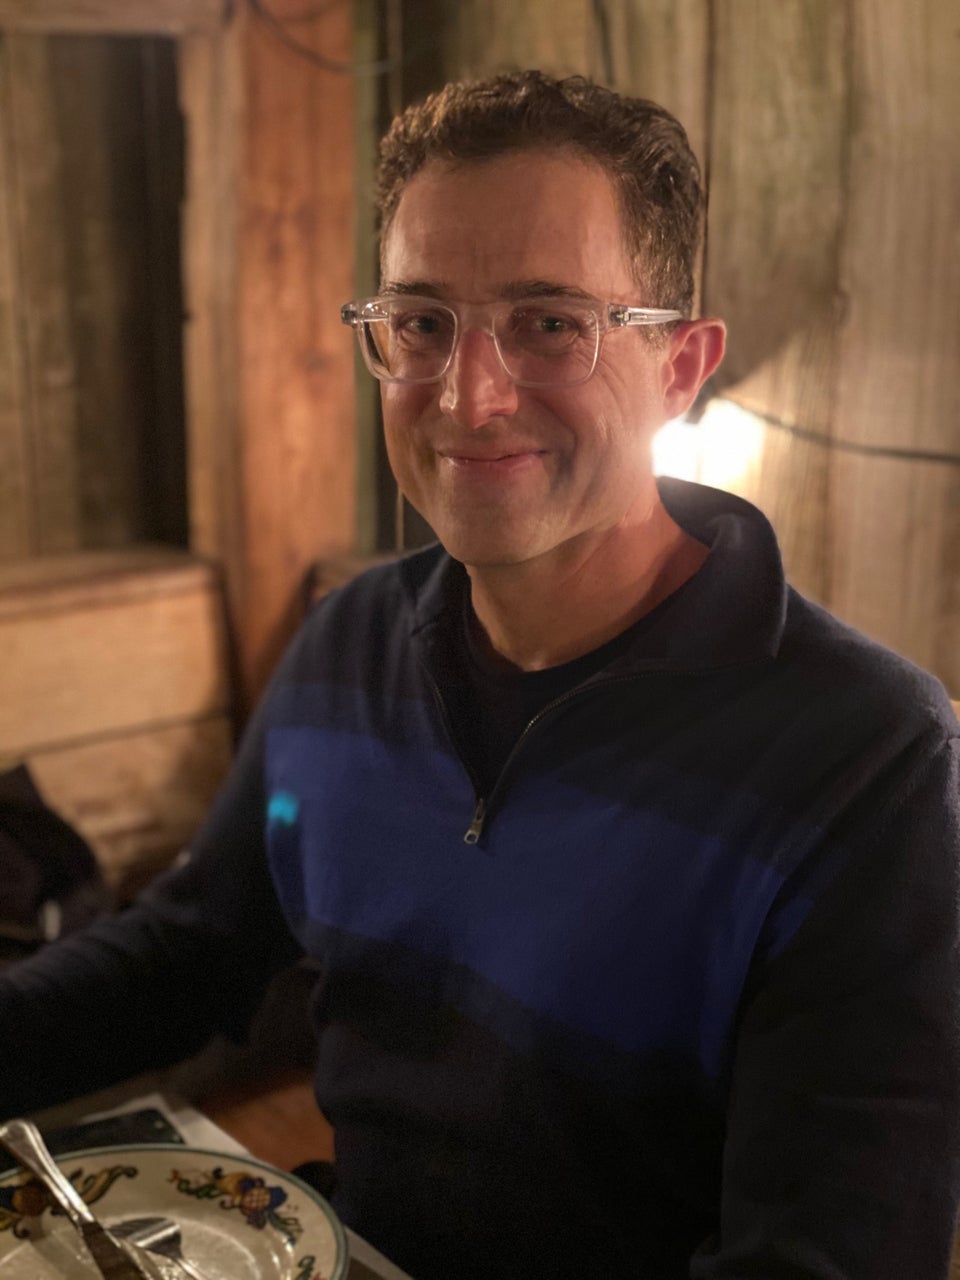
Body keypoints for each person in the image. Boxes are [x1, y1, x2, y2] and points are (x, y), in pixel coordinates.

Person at [2, 69, 959, 1279]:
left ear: (682, 366)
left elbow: (833, 1253)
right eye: (421, 322)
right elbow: (188, 948)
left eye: (552, 321)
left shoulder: (866, 754)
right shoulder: (345, 647)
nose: (470, 393)